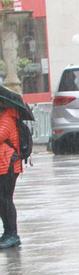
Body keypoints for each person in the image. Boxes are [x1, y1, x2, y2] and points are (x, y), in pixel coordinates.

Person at [0, 102, 23, 249]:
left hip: (9, 166)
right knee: (1, 201)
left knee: (5, 199)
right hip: (3, 165)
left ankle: (12, 234)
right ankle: (7, 232)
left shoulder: (7, 119)